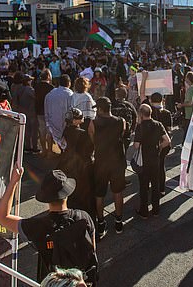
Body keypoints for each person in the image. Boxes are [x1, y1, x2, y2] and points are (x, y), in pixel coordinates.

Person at [0, 168, 97, 284]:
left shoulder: (37, 227)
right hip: (82, 282)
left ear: (46, 198)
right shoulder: (84, 217)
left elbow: (2, 217)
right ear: (67, 194)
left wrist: (14, 182)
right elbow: (92, 251)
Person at [88, 96, 126, 238]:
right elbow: (122, 135)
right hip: (117, 161)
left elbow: (92, 140)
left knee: (99, 194)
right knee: (118, 191)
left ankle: (101, 222)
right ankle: (118, 220)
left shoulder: (93, 123)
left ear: (100, 109)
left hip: (101, 162)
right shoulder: (121, 121)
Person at [133, 104, 171, 219]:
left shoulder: (140, 127)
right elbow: (167, 141)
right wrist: (159, 147)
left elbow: (136, 145)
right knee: (155, 185)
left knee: (143, 187)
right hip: (155, 158)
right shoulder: (157, 124)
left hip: (144, 160)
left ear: (140, 114)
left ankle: (144, 211)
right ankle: (156, 210)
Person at [60, 108, 95, 218]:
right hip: (82, 164)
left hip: (69, 162)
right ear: (75, 121)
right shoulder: (82, 134)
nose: (82, 118)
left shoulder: (66, 130)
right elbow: (90, 148)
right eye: (80, 117)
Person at [45, 75, 74, 151]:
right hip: (64, 125)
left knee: (50, 134)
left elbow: (46, 109)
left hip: (52, 123)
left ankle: (50, 152)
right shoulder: (70, 95)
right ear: (69, 83)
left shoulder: (50, 94)